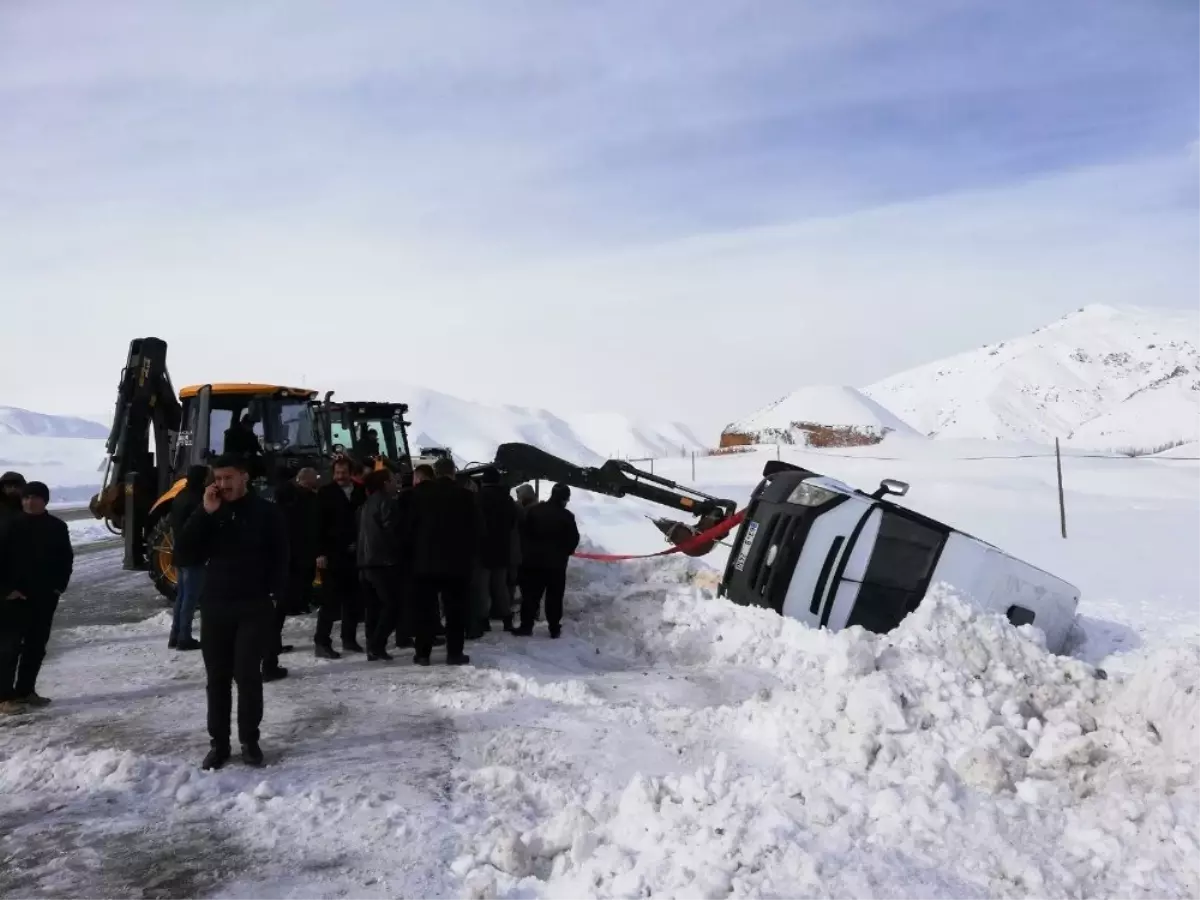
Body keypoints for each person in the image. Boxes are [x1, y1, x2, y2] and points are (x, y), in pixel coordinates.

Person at [174, 454, 288, 770]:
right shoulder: (210, 512)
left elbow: (281, 556)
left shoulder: (266, 512)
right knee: (218, 678)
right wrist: (204, 513)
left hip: (254, 605)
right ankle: (219, 744)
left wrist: (276, 596)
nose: (222, 485)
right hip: (216, 606)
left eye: (228, 478)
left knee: (247, 675)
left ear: (244, 476)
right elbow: (183, 552)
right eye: (218, 479)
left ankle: (250, 741)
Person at [0, 481, 73, 714]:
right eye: (26, 498)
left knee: (36, 647)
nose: (29, 502)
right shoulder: (9, 525)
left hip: (44, 597)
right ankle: (4, 697)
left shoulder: (57, 527)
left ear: (45, 500)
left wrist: (58, 587)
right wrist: (6, 589)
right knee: (9, 648)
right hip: (13, 599)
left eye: (35, 497)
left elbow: (66, 560)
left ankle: (25, 691)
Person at [407, 456, 483, 666]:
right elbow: (477, 531)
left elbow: (407, 529)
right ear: (453, 473)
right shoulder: (466, 496)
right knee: (455, 612)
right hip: (456, 565)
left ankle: (422, 654)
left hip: (424, 564)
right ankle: (454, 653)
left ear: (436, 472)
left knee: (425, 611)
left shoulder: (417, 494)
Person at [314, 457, 366, 659]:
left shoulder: (360, 492)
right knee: (330, 601)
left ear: (351, 473)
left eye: (343, 473)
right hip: (332, 554)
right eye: (337, 473)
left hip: (354, 554)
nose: (340, 476)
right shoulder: (325, 493)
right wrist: (320, 553)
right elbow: (317, 524)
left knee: (353, 599)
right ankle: (321, 642)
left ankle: (349, 639)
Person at [515, 483, 580, 639]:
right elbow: (573, 539)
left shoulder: (535, 511)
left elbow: (523, 533)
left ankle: (526, 626)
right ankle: (554, 628)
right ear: (564, 499)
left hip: (533, 562)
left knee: (531, 595)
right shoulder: (567, 516)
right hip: (556, 565)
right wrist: (566, 551)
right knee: (554, 597)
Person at [357, 468, 404, 661]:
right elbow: (392, 532)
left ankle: (373, 646)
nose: (396, 484)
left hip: (364, 563)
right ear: (385, 483)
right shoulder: (387, 503)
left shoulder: (366, 504)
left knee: (373, 608)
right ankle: (377, 645)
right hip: (382, 563)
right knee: (393, 606)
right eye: (393, 480)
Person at [168, 465, 208, 651]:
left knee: (182, 597)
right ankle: (184, 637)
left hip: (179, 553)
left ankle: (175, 636)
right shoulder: (197, 499)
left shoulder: (180, 496)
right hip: (194, 555)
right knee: (190, 598)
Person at [478, 468, 518, 633]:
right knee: (500, 586)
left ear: (483, 481)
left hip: (482, 549)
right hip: (502, 548)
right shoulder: (507, 499)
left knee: (482, 588)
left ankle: (483, 621)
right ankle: (507, 619)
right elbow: (512, 522)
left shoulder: (478, 498)